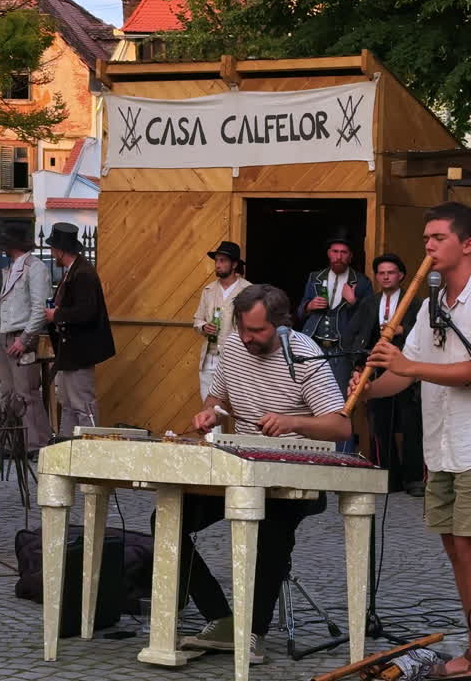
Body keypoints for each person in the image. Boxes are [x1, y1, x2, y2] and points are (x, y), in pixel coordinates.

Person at [355, 202, 471, 678]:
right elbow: (403, 376)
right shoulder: (432, 304)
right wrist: (367, 386)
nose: (427, 246)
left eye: (437, 238)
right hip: (443, 444)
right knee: (454, 546)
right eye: (425, 238)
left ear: (467, 244)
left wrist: (405, 366)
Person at [180, 284, 350, 664]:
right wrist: (211, 413)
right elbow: (219, 399)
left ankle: (253, 631)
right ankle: (221, 619)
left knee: (270, 525)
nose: (248, 339)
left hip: (294, 473)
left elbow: (340, 427)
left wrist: (292, 422)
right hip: (242, 465)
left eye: (258, 331)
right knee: (169, 519)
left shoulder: (303, 353)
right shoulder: (234, 346)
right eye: (243, 329)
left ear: (280, 323)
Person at [343, 252, 424, 495]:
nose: (386, 277)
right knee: (380, 425)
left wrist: (402, 329)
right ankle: (389, 476)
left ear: (401, 276)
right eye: (381, 273)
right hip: (376, 369)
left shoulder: (415, 302)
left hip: (406, 369)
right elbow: (353, 333)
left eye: (391, 273)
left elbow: (425, 334)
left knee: (411, 425)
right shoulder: (369, 302)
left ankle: (414, 478)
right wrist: (358, 363)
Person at [44, 223, 114, 433]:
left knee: (82, 405)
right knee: (68, 405)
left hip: (80, 350)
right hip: (70, 351)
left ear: (60, 250)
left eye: (53, 248)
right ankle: (68, 448)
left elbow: (86, 312)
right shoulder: (74, 271)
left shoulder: (83, 273)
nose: (51, 252)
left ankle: (88, 449)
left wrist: (56, 314)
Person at [0, 226, 53, 450]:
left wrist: (25, 338)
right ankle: (17, 441)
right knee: (8, 392)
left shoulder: (35, 268)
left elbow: (39, 309)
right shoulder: (11, 268)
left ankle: (37, 442)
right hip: (6, 334)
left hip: (20, 336)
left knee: (26, 392)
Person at [296, 230, 372, 394]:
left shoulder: (362, 282)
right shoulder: (314, 277)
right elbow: (299, 313)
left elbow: (368, 320)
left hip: (342, 352)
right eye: (335, 251)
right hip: (314, 348)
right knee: (310, 395)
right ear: (328, 253)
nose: (339, 256)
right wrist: (309, 306)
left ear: (350, 256)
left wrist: (353, 303)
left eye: (343, 252)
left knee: (339, 399)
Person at [193, 241, 251, 399]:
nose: (217, 265)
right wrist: (204, 327)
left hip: (238, 359)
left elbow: (254, 325)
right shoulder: (208, 290)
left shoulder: (248, 291)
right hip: (210, 360)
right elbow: (197, 319)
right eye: (216, 260)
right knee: (209, 411)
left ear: (234, 264)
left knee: (242, 409)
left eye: (222, 260)